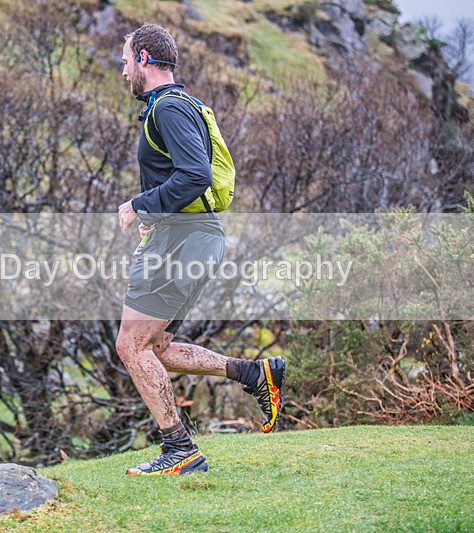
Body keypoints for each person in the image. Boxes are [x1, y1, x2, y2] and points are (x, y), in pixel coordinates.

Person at [116, 23, 285, 475]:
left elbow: (195, 175)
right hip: (192, 236)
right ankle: (254, 374)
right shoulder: (181, 105)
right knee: (156, 346)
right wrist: (157, 215)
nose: (124, 70)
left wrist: (140, 205)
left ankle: (180, 449)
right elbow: (187, 179)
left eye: (126, 60)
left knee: (131, 345)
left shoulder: (168, 108)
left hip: (184, 240)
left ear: (144, 58)